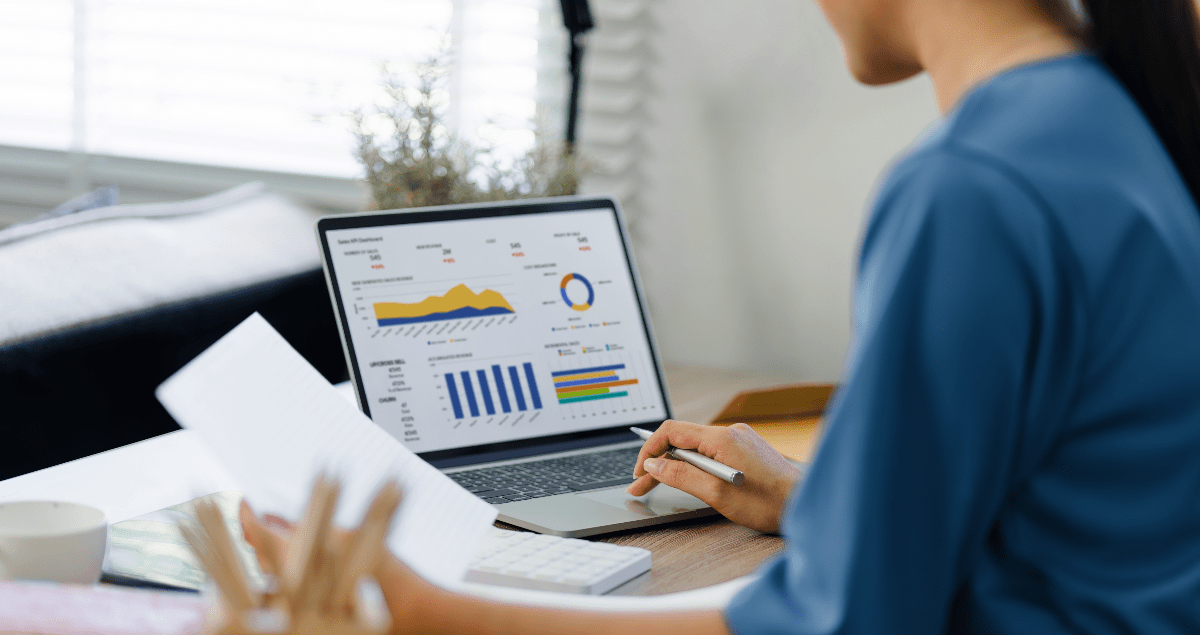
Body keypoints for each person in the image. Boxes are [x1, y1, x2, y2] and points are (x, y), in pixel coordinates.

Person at [242, 0, 1200, 632]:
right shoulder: (1108, 124)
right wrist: (813, 497)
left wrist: (422, 607)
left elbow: (832, 624)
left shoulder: (975, 186)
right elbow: (1072, 501)